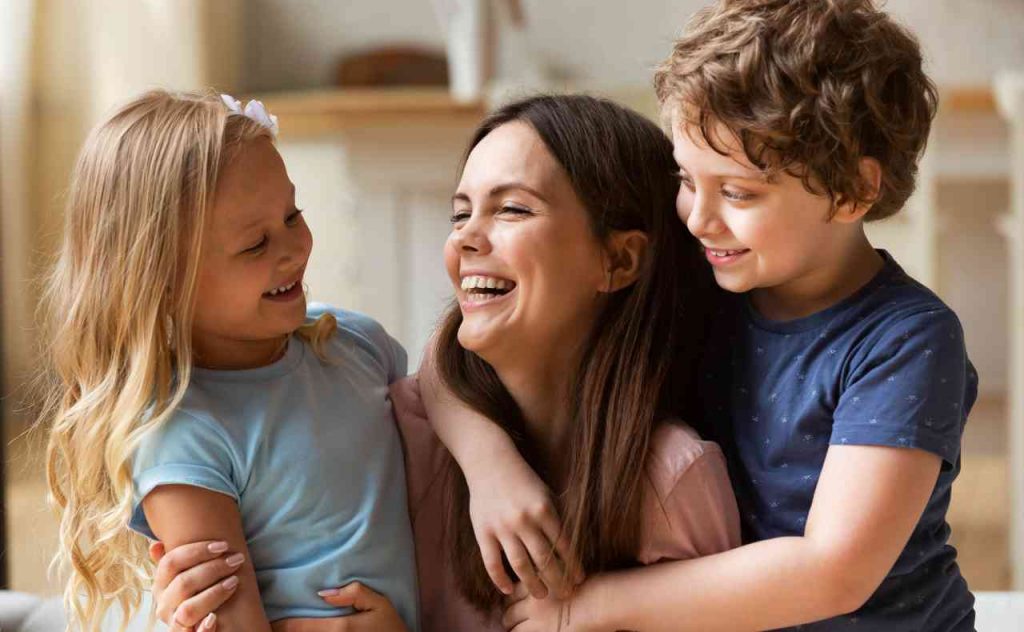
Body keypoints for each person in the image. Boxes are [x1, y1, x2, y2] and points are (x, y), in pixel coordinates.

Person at [417, 1, 978, 630]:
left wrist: (588, 606)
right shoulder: (715, 269)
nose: (698, 217)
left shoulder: (905, 340)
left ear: (853, 188)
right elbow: (452, 358)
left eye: (738, 192)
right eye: (687, 179)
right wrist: (490, 464)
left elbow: (833, 569)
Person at [145, 94, 742, 632]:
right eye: (460, 215)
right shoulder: (403, 432)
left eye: (511, 209)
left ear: (618, 261)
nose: (466, 240)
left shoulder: (671, 481)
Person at [38, 91, 417, 632]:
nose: (294, 248)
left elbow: (444, 446)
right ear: (163, 283)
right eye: (255, 245)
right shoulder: (183, 436)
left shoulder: (357, 344)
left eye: (293, 215)